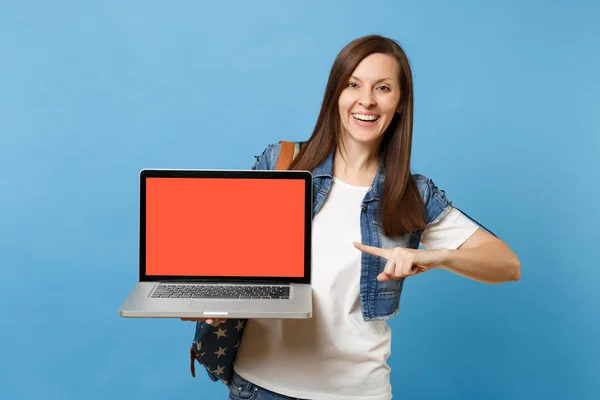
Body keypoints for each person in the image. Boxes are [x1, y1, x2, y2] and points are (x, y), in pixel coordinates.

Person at [184, 34, 521, 400]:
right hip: (258, 386)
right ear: (336, 95)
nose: (367, 100)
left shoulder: (410, 195)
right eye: (353, 85)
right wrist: (213, 299)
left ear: (400, 103)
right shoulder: (284, 164)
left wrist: (438, 257)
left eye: (383, 88)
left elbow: (507, 264)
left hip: (357, 393)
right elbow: (225, 256)